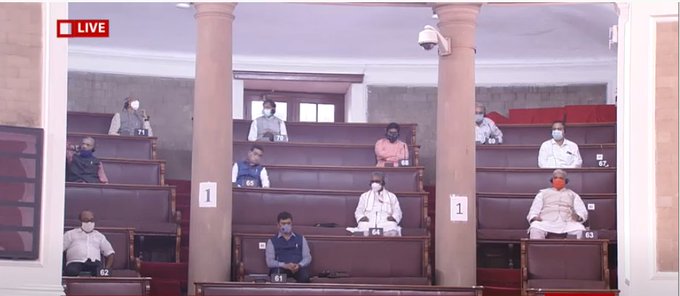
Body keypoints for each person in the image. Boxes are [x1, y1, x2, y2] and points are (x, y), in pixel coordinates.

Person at [526, 169, 588, 239]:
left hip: (567, 222)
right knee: (535, 227)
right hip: (546, 221)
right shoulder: (542, 194)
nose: (558, 180)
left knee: (580, 229)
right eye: (555, 178)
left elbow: (582, 211)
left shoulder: (573, 195)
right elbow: (534, 210)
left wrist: (578, 217)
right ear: (552, 180)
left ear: (565, 181)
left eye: (561, 178)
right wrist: (534, 217)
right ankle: (538, 250)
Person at [63, 210, 115, 276]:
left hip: (94, 263)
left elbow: (110, 253)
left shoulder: (99, 236)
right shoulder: (70, 234)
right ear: (80, 221)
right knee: (71, 271)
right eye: (86, 220)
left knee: (100, 273)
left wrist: (106, 269)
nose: (89, 223)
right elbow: (59, 250)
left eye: (91, 220)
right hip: (75, 263)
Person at [265, 211, 311, 283]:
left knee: (305, 277)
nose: (286, 226)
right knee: (276, 276)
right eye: (283, 224)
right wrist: (284, 265)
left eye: (288, 223)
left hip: (297, 268)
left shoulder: (301, 238)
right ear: (278, 225)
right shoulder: (271, 241)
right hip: (280, 269)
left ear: (292, 224)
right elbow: (269, 262)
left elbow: (307, 257)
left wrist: (299, 265)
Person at [353, 172, 403, 236]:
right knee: (362, 225)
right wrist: (362, 217)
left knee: (392, 226)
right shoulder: (364, 196)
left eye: (377, 181)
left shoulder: (391, 196)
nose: (374, 183)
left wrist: (393, 217)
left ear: (383, 182)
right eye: (372, 181)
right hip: (368, 221)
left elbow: (397, 211)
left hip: (385, 221)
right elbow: (358, 210)